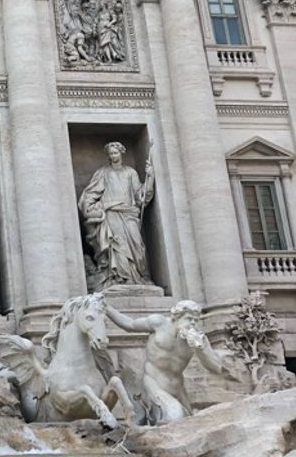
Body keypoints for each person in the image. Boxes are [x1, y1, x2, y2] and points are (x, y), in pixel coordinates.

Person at [104, 299, 241, 423]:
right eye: (189, 319)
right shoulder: (158, 323)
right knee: (175, 416)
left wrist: (200, 349)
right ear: (177, 317)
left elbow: (214, 367)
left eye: (195, 320)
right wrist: (107, 308)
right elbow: (129, 324)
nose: (192, 323)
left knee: (190, 423)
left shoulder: (198, 339)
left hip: (178, 388)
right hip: (153, 382)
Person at [78, 141, 154, 288]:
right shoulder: (103, 173)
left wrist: (150, 178)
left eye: (116, 153)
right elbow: (89, 195)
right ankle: (121, 278)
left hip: (129, 213)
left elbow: (140, 196)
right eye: (111, 153)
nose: (113, 156)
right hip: (111, 214)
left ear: (121, 153)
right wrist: (94, 208)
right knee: (117, 246)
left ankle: (137, 276)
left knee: (136, 245)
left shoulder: (130, 172)